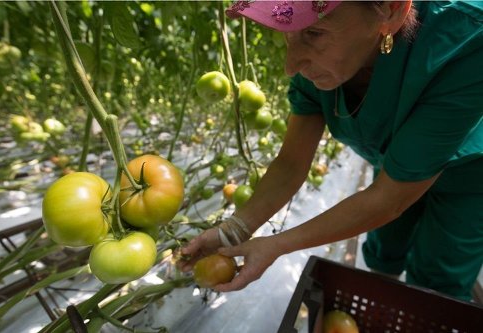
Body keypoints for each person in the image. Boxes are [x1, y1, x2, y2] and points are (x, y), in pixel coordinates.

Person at [178, 0, 483, 302]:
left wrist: (277, 244)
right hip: (393, 162)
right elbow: (291, 164)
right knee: (384, 250)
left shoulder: (465, 37)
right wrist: (234, 229)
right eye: (289, 33)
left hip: (468, 175)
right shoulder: (321, 64)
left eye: (314, 33)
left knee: (438, 277)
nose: (290, 65)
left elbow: (390, 198)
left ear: (391, 10)